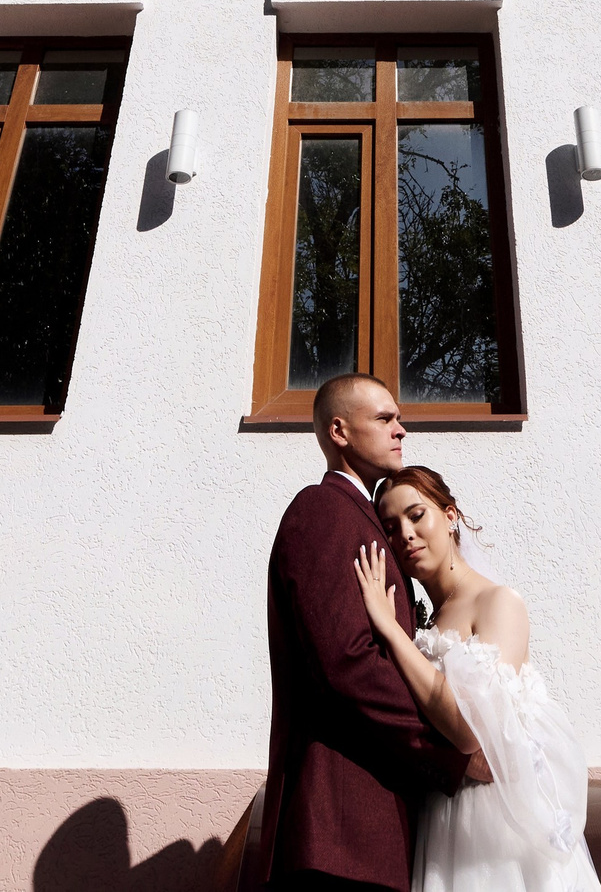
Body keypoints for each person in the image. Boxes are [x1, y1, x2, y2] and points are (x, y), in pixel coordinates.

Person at [252, 374, 488, 892]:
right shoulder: (323, 512)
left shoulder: (362, 520)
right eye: (384, 419)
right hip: (344, 834)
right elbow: (349, 665)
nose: (401, 430)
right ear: (339, 431)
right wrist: (452, 756)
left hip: (371, 832)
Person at [352, 466, 601, 892]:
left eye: (417, 515)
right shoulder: (423, 622)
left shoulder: (498, 602)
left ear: (450, 516)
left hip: (496, 827)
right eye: (391, 528)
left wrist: (391, 632)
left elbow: (470, 733)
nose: (406, 535)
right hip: (440, 814)